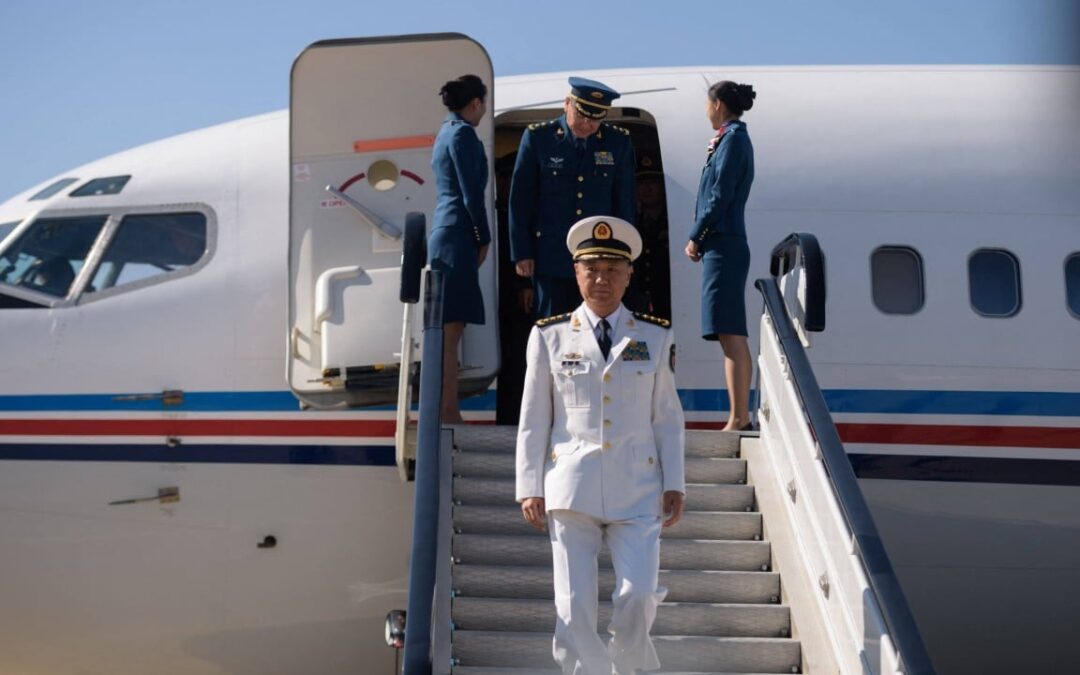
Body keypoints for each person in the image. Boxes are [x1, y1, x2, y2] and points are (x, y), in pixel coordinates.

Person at [516, 215, 686, 675]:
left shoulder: (655, 335)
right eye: (591, 269)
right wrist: (529, 486)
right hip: (572, 485)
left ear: (629, 275)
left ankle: (628, 668)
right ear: (576, 273)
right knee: (573, 606)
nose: (601, 279)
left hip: (638, 487)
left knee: (638, 594)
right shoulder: (549, 336)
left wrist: (675, 481)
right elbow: (534, 417)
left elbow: (666, 417)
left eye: (612, 270)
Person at [509, 77, 636, 319]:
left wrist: (625, 254)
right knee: (553, 324)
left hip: (598, 257)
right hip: (551, 255)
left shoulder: (617, 142)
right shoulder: (539, 137)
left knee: (595, 323)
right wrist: (522, 252)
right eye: (582, 116)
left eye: (595, 119)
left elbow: (624, 202)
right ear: (567, 103)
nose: (587, 125)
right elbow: (521, 201)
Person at [684, 80, 756, 432]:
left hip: (724, 244)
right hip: (722, 244)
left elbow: (720, 194)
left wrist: (696, 235)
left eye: (707, 104)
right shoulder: (729, 138)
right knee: (727, 332)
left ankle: (739, 417)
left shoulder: (734, 140)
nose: (705, 111)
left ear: (718, 105)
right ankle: (738, 414)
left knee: (730, 332)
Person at [430, 74, 490, 423]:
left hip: (446, 230)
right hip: (458, 234)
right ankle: (448, 411)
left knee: (447, 330)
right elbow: (471, 194)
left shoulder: (445, 131)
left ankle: (446, 408)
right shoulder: (463, 134)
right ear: (476, 103)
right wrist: (483, 236)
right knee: (451, 331)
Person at [625, 152, 671, 319]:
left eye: (653, 182)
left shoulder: (673, 223)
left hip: (668, 299)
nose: (647, 188)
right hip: (637, 300)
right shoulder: (630, 223)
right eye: (641, 183)